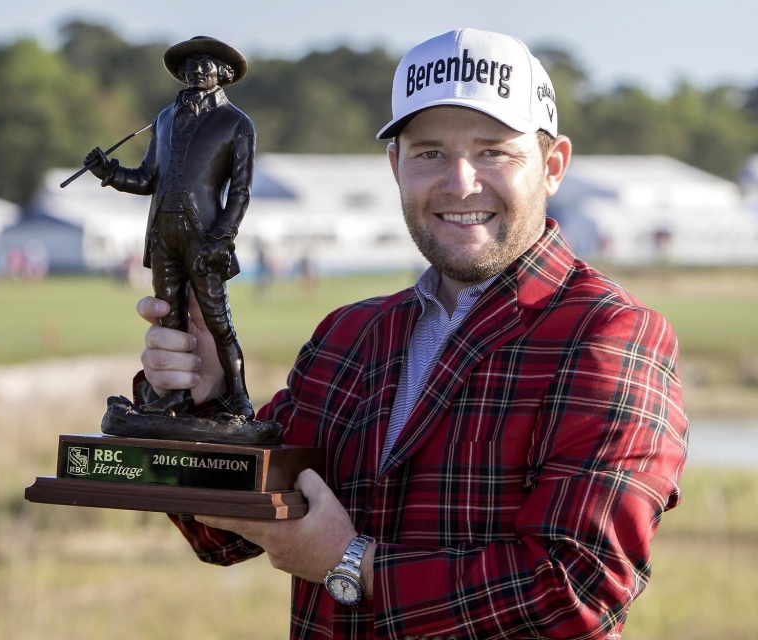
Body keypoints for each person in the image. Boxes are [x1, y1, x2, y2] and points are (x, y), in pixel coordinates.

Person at [136, 28, 688, 640]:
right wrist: (206, 399)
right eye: (428, 152)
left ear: (552, 166)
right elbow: (220, 535)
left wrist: (353, 564)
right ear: (396, 167)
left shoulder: (609, 335)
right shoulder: (349, 335)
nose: (459, 182)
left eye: (493, 152)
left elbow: (576, 591)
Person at [86, 35, 256, 418]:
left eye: (206, 64)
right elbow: (147, 178)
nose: (197, 70)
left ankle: (240, 398)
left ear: (223, 73)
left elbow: (241, 192)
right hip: (163, 234)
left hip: (205, 237)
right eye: (190, 65)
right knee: (170, 316)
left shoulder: (237, 123)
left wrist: (222, 236)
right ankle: (177, 397)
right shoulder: (164, 118)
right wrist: (109, 172)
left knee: (216, 320)